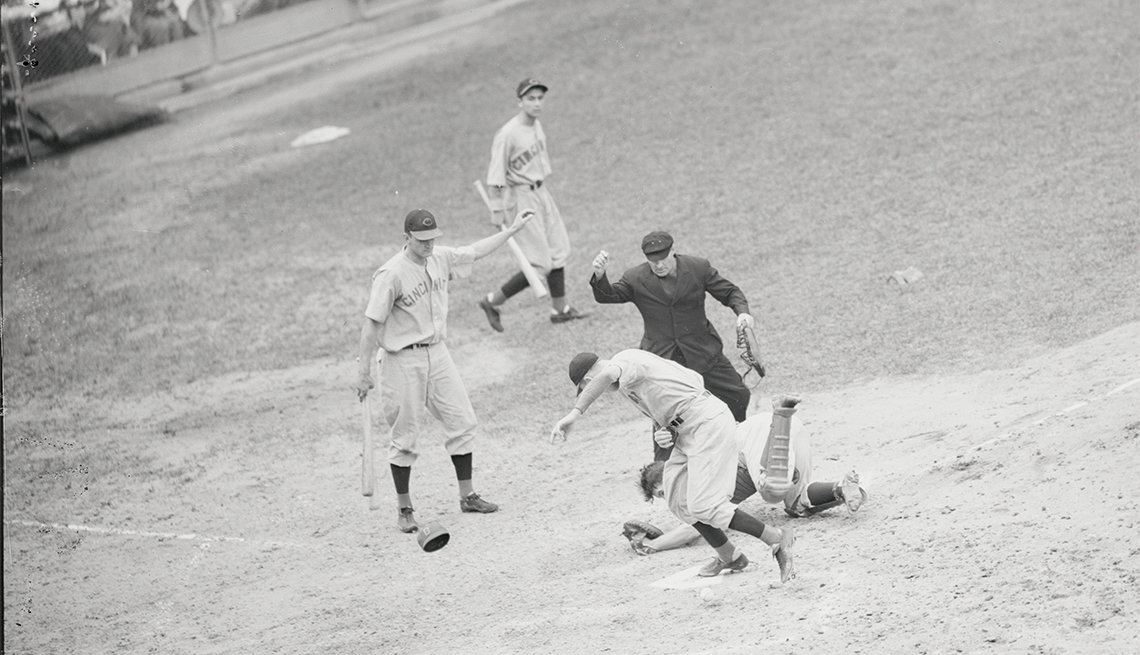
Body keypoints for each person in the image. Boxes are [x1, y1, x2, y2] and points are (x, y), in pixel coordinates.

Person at [355, 207, 534, 533]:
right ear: (406, 237)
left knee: (462, 421)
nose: (427, 245)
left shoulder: (440, 258)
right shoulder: (391, 275)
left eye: (431, 238)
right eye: (421, 240)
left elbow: (475, 251)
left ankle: (467, 496)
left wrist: (512, 231)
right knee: (405, 437)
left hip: (437, 354)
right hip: (401, 360)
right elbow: (371, 325)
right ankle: (405, 509)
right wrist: (363, 371)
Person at [551, 350, 796, 582]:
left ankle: (776, 539)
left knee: (705, 506)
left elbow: (605, 376)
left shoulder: (625, 361)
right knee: (678, 500)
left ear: (587, 380)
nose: (599, 390)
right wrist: (665, 429)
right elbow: (694, 379)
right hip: (687, 431)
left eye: (586, 387)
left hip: (706, 426)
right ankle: (730, 557)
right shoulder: (632, 380)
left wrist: (575, 414)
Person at [623, 398, 867, 555]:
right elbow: (697, 526)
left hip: (760, 436)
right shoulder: (708, 476)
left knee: (771, 491)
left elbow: (693, 528)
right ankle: (841, 487)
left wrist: (654, 545)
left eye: (664, 490)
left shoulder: (699, 475)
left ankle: (780, 421)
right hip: (788, 431)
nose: (670, 496)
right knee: (796, 504)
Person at [590, 231, 755, 460]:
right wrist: (600, 276)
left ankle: (733, 442)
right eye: (652, 260)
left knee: (738, 395)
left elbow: (730, 292)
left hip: (702, 351)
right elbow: (608, 296)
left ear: (673, 250)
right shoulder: (636, 277)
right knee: (664, 418)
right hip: (662, 360)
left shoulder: (698, 268)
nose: (657, 265)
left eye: (662, 259)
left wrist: (743, 314)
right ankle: (661, 472)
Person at [477, 77, 589, 331]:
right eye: (531, 98)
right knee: (539, 263)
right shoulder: (507, 135)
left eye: (540, 98)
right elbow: (496, 176)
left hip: (541, 193)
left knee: (558, 249)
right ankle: (491, 301)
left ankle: (560, 310)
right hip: (521, 198)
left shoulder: (536, 124)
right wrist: (497, 209)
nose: (537, 103)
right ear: (520, 102)